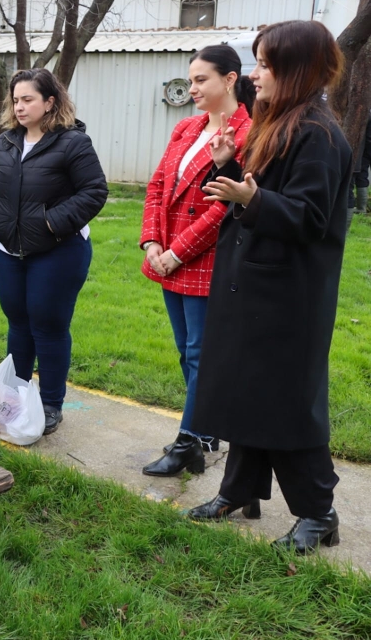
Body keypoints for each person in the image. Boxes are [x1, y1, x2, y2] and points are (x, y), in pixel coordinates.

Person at [187, 20, 352, 555]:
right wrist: (229, 166)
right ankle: (240, 493)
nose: (255, 75)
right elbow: (260, 191)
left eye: (265, 65)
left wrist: (248, 199)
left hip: (289, 296)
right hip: (252, 284)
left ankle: (317, 512)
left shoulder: (319, 134)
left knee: (285, 402)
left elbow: (307, 216)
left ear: (297, 70)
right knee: (243, 390)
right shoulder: (280, 121)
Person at [139, 45, 254, 477]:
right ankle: (206, 430)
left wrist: (176, 251)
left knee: (200, 353)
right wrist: (152, 241)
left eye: (201, 79)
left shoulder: (249, 132)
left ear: (229, 79)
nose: (193, 88)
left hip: (205, 259)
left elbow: (224, 207)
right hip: (168, 257)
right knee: (187, 352)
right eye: (190, 80)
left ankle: (190, 442)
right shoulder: (186, 127)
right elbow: (156, 186)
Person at [0, 68, 108, 436]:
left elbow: (94, 192)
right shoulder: (5, 142)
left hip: (58, 251)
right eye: (15, 100)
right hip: (8, 250)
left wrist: (50, 223)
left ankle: (51, 404)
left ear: (50, 102)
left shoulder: (73, 143)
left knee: (48, 326)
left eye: (28, 100)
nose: (19, 107)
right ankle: (17, 398)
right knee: (18, 323)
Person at [346, 112, 370, 231]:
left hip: (352, 152)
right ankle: (361, 208)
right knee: (361, 176)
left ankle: (345, 227)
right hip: (361, 152)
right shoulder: (367, 112)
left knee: (347, 187)